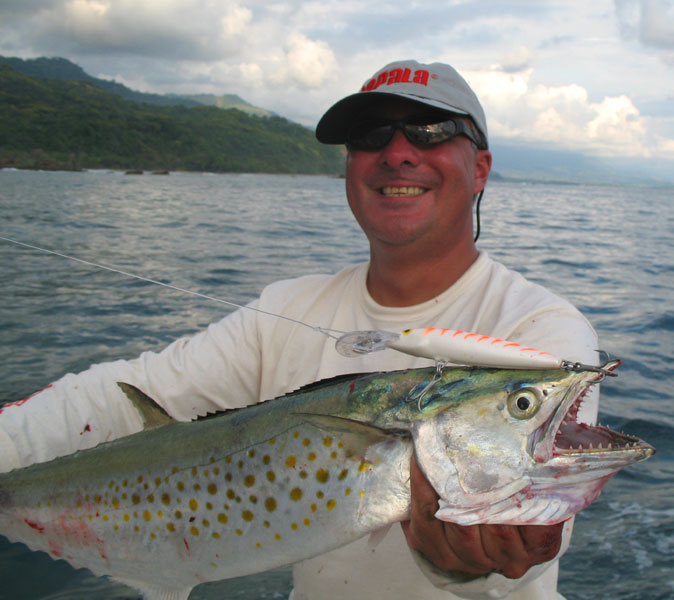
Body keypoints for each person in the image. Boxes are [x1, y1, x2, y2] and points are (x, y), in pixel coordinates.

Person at [0, 60, 599, 599]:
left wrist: (473, 566)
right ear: (350, 167)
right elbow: (124, 399)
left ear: (482, 168)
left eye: (431, 131)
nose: (398, 152)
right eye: (371, 136)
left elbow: (544, 522)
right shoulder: (287, 307)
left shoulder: (541, 328)